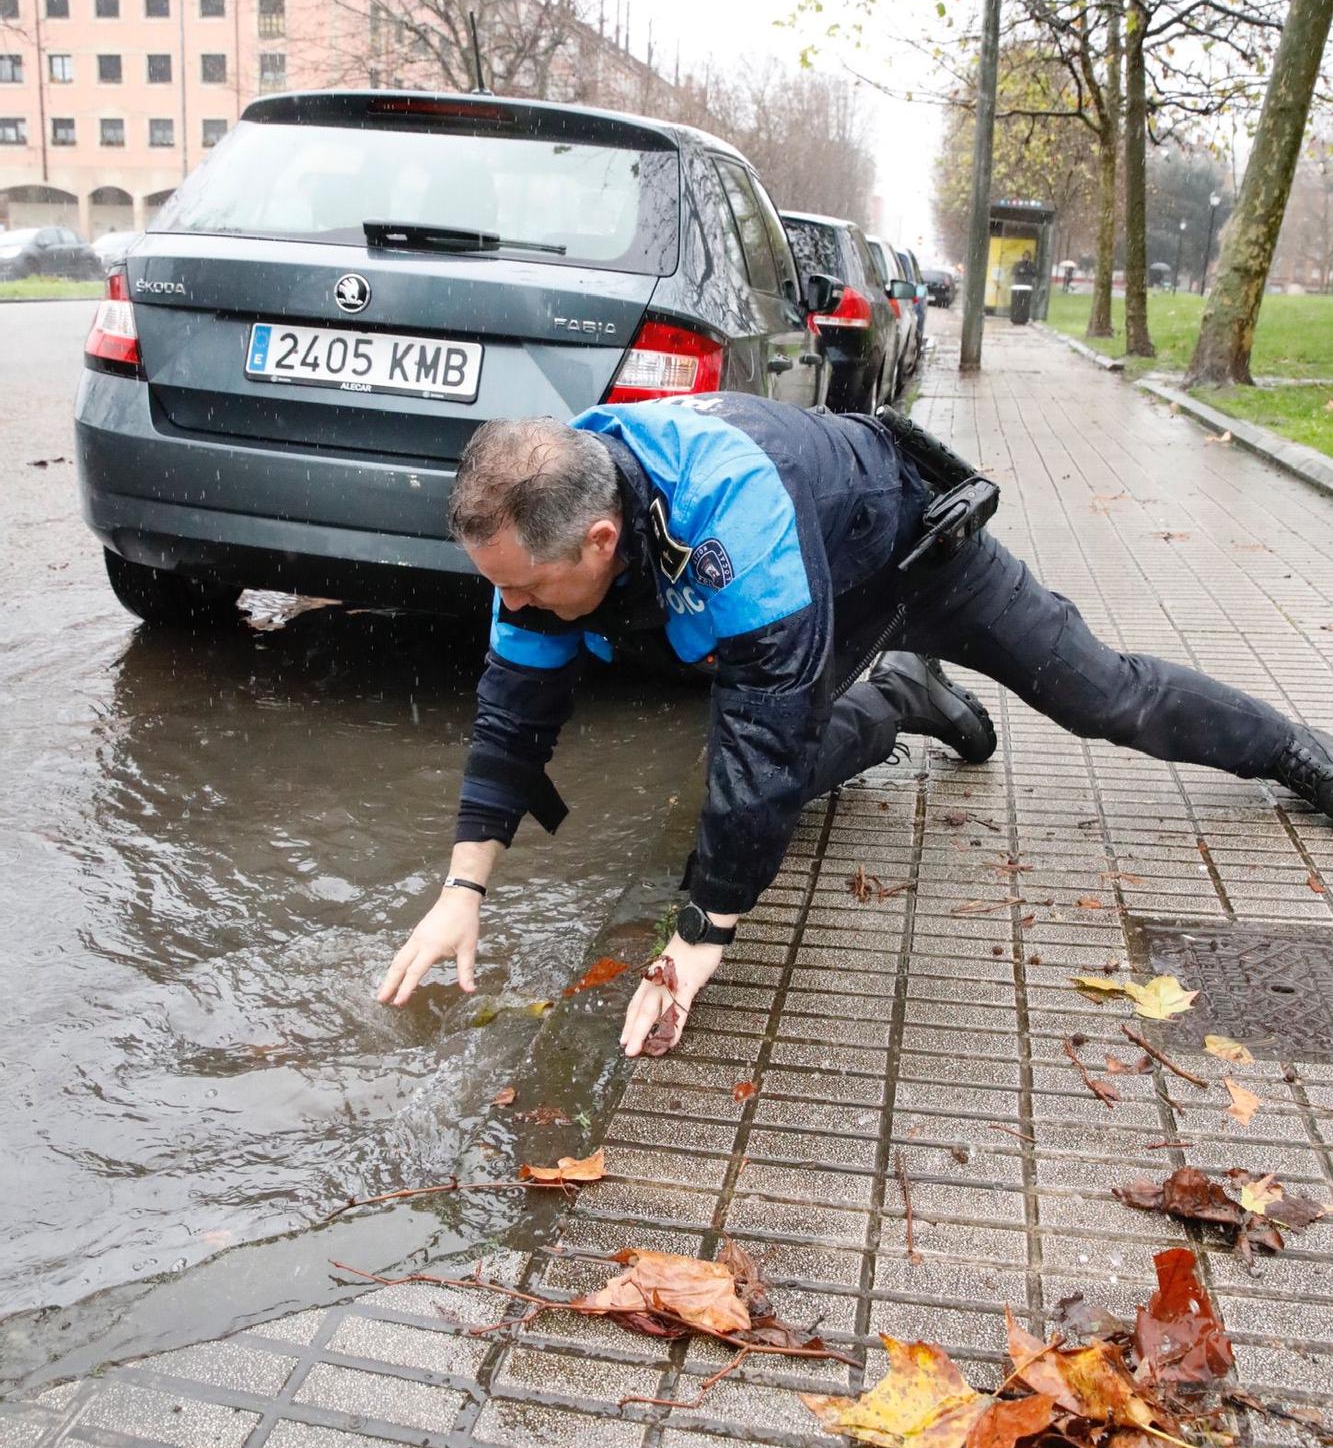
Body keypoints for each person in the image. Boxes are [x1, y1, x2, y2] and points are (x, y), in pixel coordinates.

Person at [377, 397, 1333, 1056]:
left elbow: (767, 734)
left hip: (916, 554)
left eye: (521, 587)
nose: (509, 604)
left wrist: (696, 940)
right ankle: (910, 695)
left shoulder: (722, 518)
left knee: (1102, 698)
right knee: (750, 770)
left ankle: (1297, 753)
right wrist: (465, 885)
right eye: (497, 583)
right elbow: (512, 715)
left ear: (600, 542)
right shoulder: (544, 528)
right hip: (808, 588)